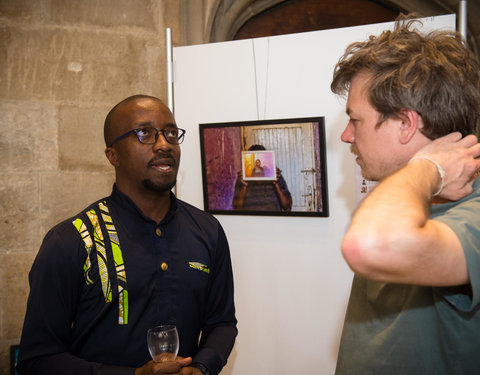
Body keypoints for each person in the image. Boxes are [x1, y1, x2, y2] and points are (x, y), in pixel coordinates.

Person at [17, 95, 237, 375]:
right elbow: (37, 360)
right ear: (113, 155)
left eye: (170, 133)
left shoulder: (207, 230)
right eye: (144, 133)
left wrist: (203, 367)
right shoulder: (70, 242)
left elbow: (222, 323)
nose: (163, 144)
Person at [330, 16, 480, 374]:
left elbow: (368, 246)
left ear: (406, 123)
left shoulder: (473, 213)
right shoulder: (403, 200)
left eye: (357, 120)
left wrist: (428, 168)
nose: (347, 136)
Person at [232, 145, 292, 211]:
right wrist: (244, 187)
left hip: (272, 219)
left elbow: (286, 206)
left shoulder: (275, 176)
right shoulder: (243, 179)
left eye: (259, 161)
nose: (258, 163)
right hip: (250, 219)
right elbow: (237, 207)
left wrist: (276, 184)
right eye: (256, 162)